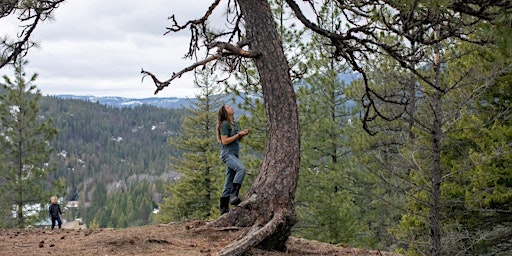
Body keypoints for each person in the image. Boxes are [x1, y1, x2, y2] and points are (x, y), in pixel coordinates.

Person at [216, 104, 249, 215]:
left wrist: (240, 135)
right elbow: (224, 141)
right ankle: (233, 195)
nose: (231, 108)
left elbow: (234, 140)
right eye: (228, 107)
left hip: (234, 154)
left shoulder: (234, 124)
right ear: (225, 112)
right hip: (228, 154)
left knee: (228, 181)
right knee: (241, 169)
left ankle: (224, 209)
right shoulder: (225, 124)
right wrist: (238, 135)